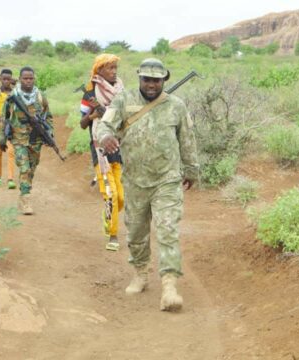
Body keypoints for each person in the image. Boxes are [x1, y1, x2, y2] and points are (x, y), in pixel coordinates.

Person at [96, 58, 199, 311]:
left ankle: (169, 285)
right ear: (139, 79)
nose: (151, 84)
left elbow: (187, 139)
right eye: (146, 79)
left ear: (164, 80)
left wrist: (192, 169)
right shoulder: (123, 100)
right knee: (136, 233)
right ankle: (140, 273)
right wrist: (106, 136)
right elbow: (105, 125)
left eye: (156, 79)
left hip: (167, 179)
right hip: (135, 180)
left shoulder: (176, 106)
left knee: (167, 231)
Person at [80, 54, 124, 251]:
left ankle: (109, 213)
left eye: (115, 68)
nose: (114, 72)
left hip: (120, 148)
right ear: (99, 71)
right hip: (99, 149)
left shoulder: (122, 92)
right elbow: (82, 124)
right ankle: (113, 235)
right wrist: (92, 115)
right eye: (109, 68)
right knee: (110, 193)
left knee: (120, 197)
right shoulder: (90, 93)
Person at [0, 66, 53, 215]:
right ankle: (26, 199)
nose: (28, 81)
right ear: (20, 79)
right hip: (18, 139)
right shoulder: (13, 97)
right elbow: (5, 118)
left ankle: (24, 192)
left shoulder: (40, 96)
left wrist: (50, 132)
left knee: (32, 169)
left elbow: (48, 116)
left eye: (31, 78)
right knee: (24, 168)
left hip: (36, 140)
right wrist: (2, 138)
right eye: (25, 78)